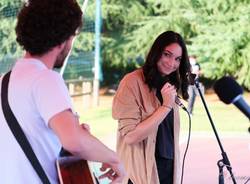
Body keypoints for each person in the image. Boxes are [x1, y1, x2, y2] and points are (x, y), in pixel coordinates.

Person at [0, 0, 125, 183]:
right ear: (62, 39)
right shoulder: (46, 79)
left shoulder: (5, 81)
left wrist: (71, 133)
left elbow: (34, 139)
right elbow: (73, 141)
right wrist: (115, 158)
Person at [112, 31, 191, 184]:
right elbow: (130, 136)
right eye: (166, 54)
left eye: (177, 59)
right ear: (156, 52)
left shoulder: (169, 85)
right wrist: (166, 106)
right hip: (139, 173)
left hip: (168, 169)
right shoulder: (131, 82)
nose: (171, 63)